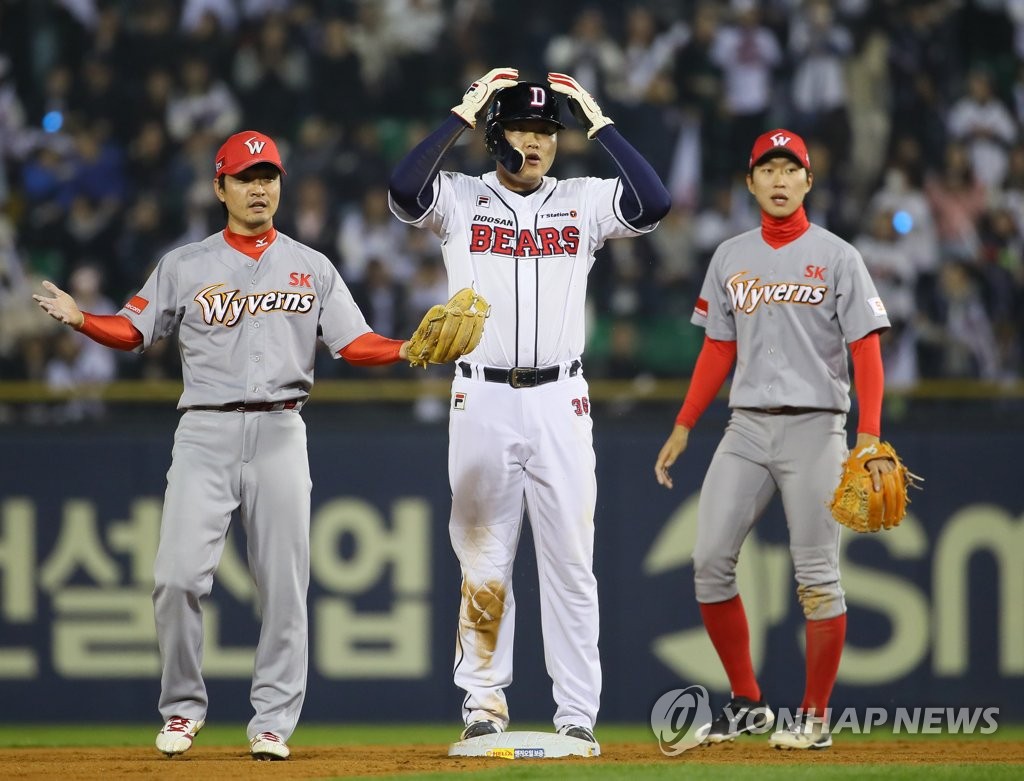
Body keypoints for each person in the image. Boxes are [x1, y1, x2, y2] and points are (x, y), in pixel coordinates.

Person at [33, 130, 431, 761]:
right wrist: (83, 319)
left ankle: (272, 721)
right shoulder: (184, 265)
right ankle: (182, 708)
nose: (258, 188)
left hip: (280, 429)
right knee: (174, 578)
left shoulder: (312, 265)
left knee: (284, 585)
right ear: (220, 188)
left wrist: (407, 347)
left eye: (267, 176)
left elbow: (353, 343)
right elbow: (134, 331)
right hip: (205, 431)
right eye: (245, 178)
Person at [388, 68, 670, 743]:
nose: (537, 141)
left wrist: (602, 126)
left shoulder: (582, 199)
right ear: (496, 137)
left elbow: (654, 203)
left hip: (561, 399)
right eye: (520, 128)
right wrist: (461, 115)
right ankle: (483, 705)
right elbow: (403, 189)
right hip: (481, 394)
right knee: (483, 562)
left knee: (571, 563)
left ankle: (576, 717)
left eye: (546, 130)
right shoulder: (460, 198)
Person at [653, 129, 895, 750]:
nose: (780, 179)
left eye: (791, 169)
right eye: (768, 169)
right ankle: (747, 703)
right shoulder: (729, 256)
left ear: (808, 181)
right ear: (750, 182)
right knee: (709, 562)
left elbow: (866, 350)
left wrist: (869, 436)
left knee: (817, 578)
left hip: (817, 427)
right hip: (746, 427)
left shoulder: (839, 256)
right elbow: (718, 348)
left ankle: (814, 718)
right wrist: (684, 423)